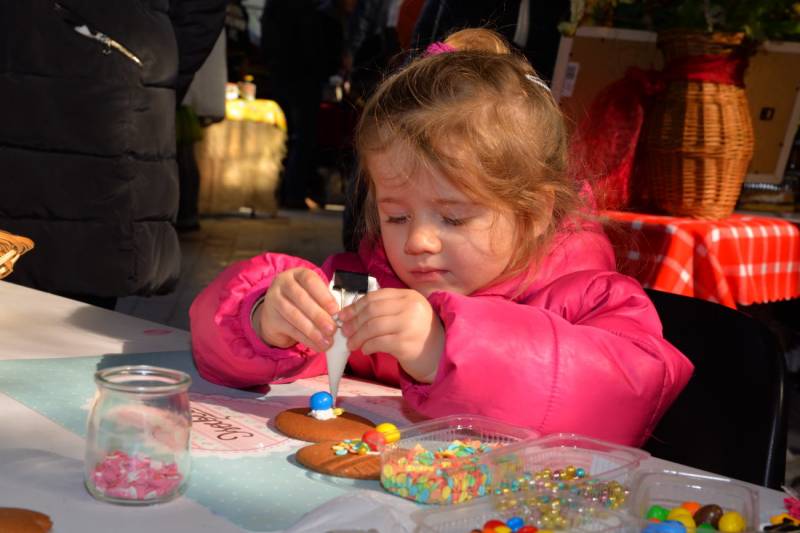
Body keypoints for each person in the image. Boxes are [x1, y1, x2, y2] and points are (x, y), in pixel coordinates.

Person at [190, 28, 693, 446]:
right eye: (396, 217)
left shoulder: (590, 298)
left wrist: (444, 349)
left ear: (535, 213)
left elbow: (626, 395)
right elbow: (219, 341)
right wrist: (263, 318)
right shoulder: (369, 283)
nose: (419, 242)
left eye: (453, 218)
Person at [0, 0, 226, 309]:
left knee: (76, 286)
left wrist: (140, 71)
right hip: (106, 84)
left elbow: (199, 15)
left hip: (99, 100)